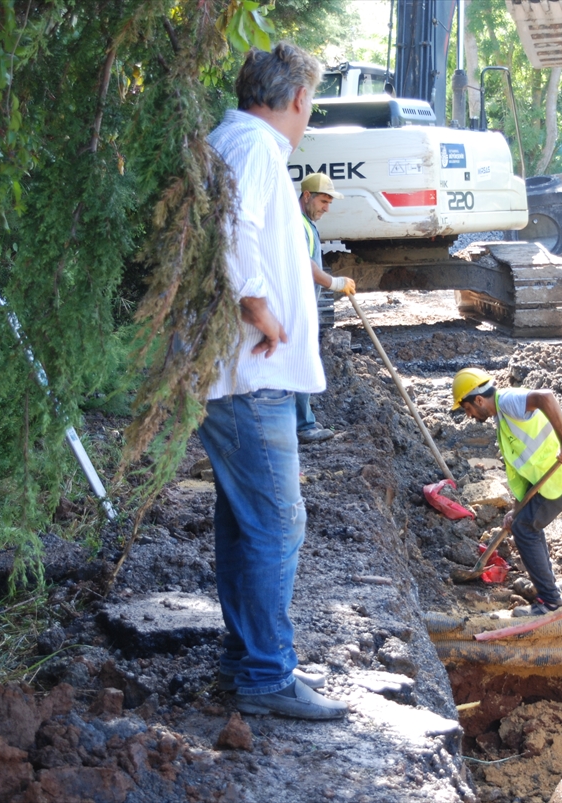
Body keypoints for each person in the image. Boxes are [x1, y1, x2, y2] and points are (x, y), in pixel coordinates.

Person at [201, 42, 347, 720]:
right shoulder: (256, 147)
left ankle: (246, 660)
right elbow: (234, 229)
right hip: (250, 371)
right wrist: (255, 301)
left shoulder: (235, 139)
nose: (307, 113)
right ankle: (266, 675)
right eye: (310, 101)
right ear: (294, 99)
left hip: (243, 371)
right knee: (279, 525)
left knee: (246, 520)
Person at [451, 367, 562, 616]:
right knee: (523, 522)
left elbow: (546, 397)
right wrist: (516, 510)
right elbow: (522, 474)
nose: (470, 415)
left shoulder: (507, 402)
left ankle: (550, 602)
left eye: (468, 409)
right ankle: (548, 589)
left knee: (525, 529)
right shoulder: (503, 422)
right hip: (556, 476)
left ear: (478, 399)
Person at [295, 172, 356, 444]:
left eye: (329, 203)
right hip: (296, 308)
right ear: (307, 196)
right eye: (323, 201)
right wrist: (334, 282)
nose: (326, 208)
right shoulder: (298, 224)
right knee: (300, 363)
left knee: (300, 363)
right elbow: (306, 265)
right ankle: (304, 426)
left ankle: (301, 422)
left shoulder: (305, 222)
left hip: (301, 305)